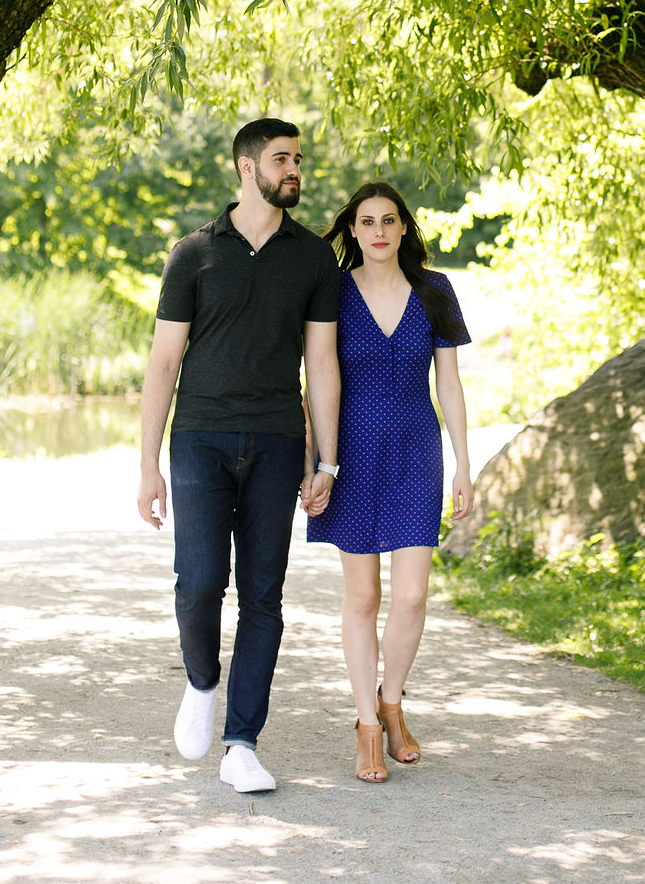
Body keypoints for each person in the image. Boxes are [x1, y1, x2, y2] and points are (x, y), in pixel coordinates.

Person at [137, 117, 341, 794]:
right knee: (198, 584)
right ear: (246, 168)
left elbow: (321, 363)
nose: (296, 171)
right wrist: (147, 466)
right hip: (199, 438)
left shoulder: (313, 259)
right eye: (283, 159)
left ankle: (242, 744)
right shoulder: (193, 253)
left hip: (279, 442)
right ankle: (201, 683)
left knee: (263, 596)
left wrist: (326, 461)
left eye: (299, 160)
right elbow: (165, 362)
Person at [304, 181, 473, 783]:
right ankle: (367, 728)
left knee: (410, 597)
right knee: (363, 598)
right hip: (349, 456)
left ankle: (392, 702)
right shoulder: (331, 292)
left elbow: (449, 384)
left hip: (415, 454)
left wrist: (464, 464)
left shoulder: (435, 290)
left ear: (404, 229)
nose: (378, 230)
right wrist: (313, 465)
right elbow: (316, 382)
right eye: (367, 221)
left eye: (389, 220)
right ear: (352, 230)